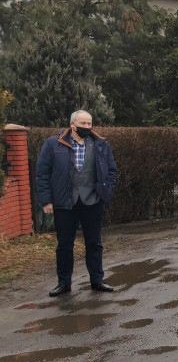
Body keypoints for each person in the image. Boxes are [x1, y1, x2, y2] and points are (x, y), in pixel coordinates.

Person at [36, 110, 118, 296]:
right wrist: (46, 200)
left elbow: (112, 170)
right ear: (72, 124)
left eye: (90, 124)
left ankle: (97, 280)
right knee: (64, 245)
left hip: (93, 201)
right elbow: (42, 174)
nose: (87, 127)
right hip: (65, 202)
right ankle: (64, 283)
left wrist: (106, 191)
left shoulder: (101, 144)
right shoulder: (53, 144)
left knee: (94, 243)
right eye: (83, 123)